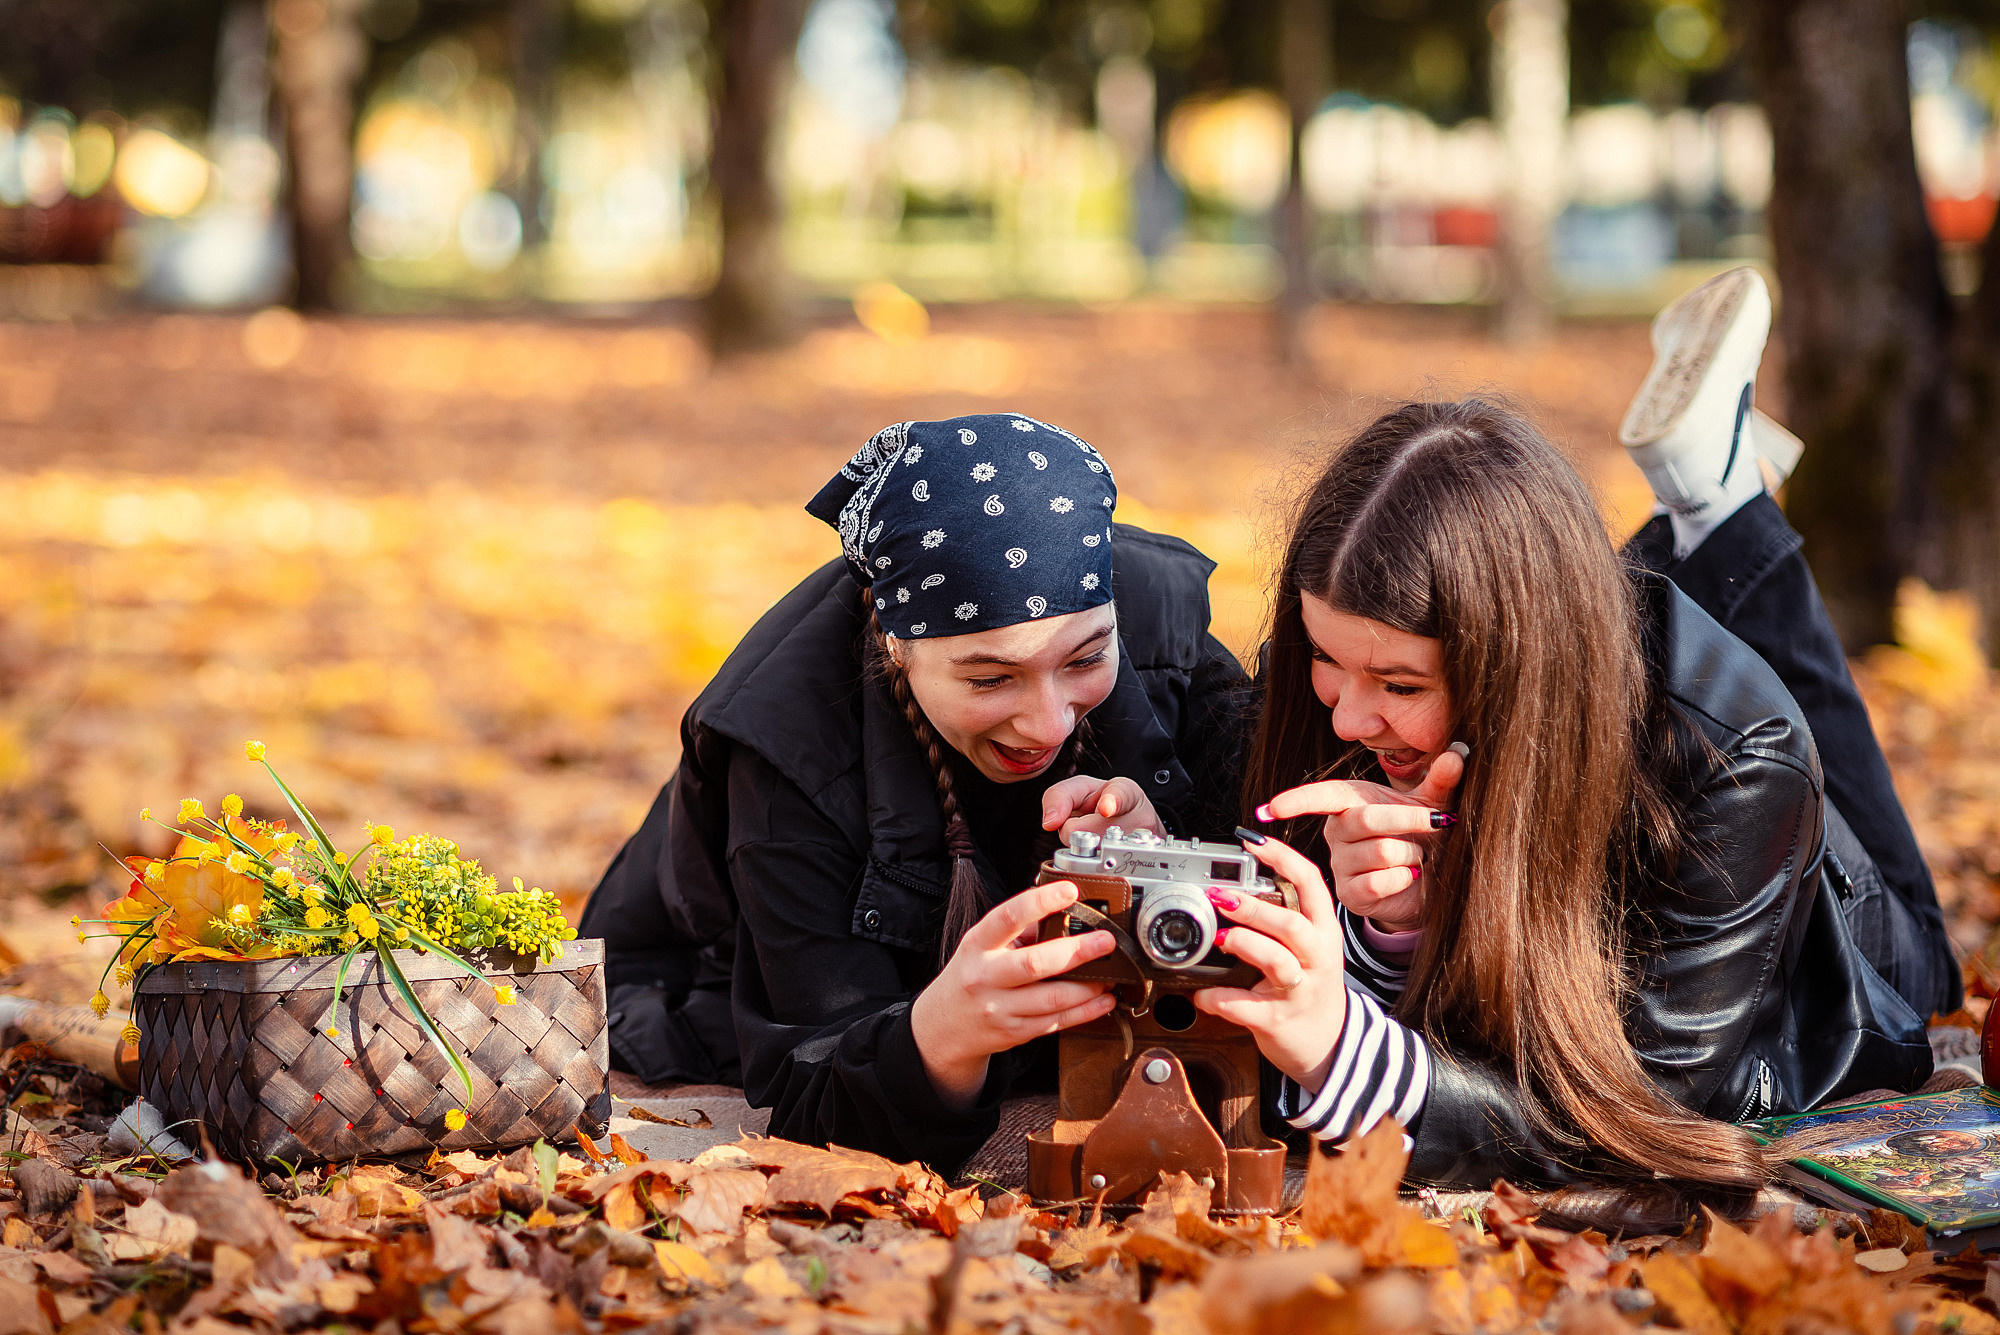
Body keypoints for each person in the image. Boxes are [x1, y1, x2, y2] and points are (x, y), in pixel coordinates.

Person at [1087, 268, 1956, 1189]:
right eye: (1322, 656)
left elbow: (1645, 1101)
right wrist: (1379, 930)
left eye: (1397, 680)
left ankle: (1718, 498)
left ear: (1514, 666)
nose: (1343, 711)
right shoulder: (1353, 661)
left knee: (1925, 959)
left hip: (1819, 925)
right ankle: (1706, 502)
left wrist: (1349, 1052)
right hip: (1589, 668)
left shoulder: (1732, 762)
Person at [578, 413, 1250, 1173]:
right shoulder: (786, 748)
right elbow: (816, 1076)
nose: (1050, 721)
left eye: (1087, 658)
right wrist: (941, 1035)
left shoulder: (1166, 632)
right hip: (714, 977)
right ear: (896, 645)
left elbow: (1289, 873)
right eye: (990, 678)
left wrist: (1181, 848)